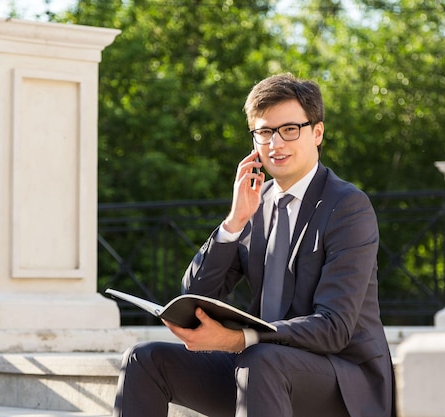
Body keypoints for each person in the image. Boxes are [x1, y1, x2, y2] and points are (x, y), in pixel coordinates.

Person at [113, 73, 396, 417]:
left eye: (289, 129)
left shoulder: (347, 206)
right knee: (144, 359)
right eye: (264, 132)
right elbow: (197, 293)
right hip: (262, 369)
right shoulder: (254, 204)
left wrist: (238, 339)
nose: (275, 143)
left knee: (260, 360)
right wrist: (234, 222)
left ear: (317, 132)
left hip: (342, 380)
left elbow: (334, 328)